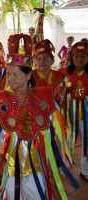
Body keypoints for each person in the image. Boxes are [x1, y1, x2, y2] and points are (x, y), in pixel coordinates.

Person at [0, 34, 79, 199]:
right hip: (11, 165)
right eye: (8, 74)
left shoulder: (44, 97)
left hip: (36, 162)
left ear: (28, 75)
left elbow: (51, 133)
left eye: (15, 75)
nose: (10, 79)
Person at [60, 41, 88, 182]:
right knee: (66, 139)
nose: (79, 59)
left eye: (83, 56)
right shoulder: (64, 72)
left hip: (85, 114)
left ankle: (85, 170)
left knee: (87, 141)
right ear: (72, 58)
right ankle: (64, 167)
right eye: (77, 56)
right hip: (68, 113)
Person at [33, 39, 66, 108]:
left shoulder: (60, 76)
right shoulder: (30, 76)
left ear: (52, 61)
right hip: (37, 113)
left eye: (46, 58)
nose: (42, 61)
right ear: (35, 61)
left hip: (56, 113)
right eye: (39, 59)